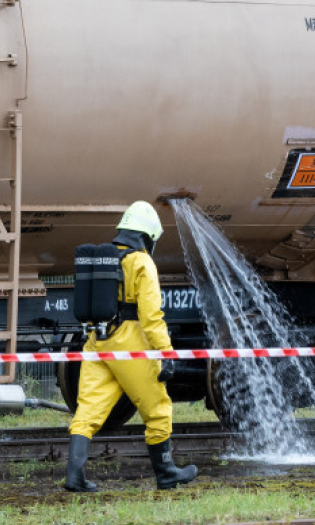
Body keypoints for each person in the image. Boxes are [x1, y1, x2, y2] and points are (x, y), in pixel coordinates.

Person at [65, 201, 197, 492]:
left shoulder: (106, 259)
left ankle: (74, 476)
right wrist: (166, 353)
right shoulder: (141, 262)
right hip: (131, 342)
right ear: (147, 236)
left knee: (88, 409)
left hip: (98, 341)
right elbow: (151, 316)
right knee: (158, 408)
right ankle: (166, 474)